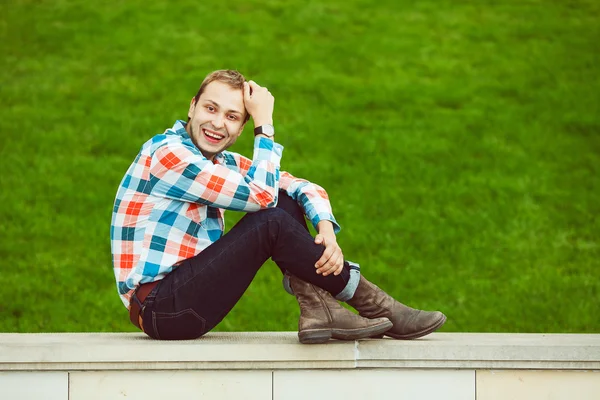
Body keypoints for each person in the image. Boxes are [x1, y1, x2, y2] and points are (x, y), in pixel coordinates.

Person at [110, 69, 446, 343]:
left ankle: (319, 309)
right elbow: (261, 197)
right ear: (192, 106)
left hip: (188, 302)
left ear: (239, 128)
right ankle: (373, 302)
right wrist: (265, 127)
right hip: (161, 308)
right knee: (270, 217)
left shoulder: (220, 161)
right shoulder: (168, 154)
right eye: (210, 109)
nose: (217, 123)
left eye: (232, 116)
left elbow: (298, 186)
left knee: (283, 200)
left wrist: (326, 229)